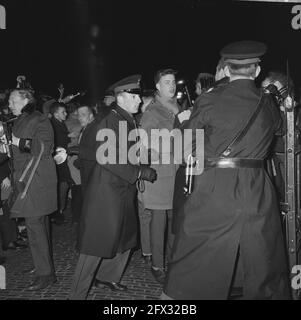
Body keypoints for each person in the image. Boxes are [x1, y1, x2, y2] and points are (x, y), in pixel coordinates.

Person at [162, 41, 291, 300]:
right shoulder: (267, 104)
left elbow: (189, 144)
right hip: (256, 187)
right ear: (256, 71)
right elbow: (281, 131)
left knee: (196, 257)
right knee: (263, 259)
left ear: (227, 70)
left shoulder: (209, 100)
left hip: (214, 186)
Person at [69, 75, 157, 300]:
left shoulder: (127, 119)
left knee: (126, 239)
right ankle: (76, 295)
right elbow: (107, 157)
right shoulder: (113, 118)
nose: (138, 99)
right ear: (121, 97)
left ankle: (107, 278)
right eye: (134, 95)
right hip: (106, 192)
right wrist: (139, 172)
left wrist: (142, 162)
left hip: (122, 190)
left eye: (138, 95)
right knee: (96, 245)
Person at [139, 69, 186, 284]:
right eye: (167, 82)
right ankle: (157, 265)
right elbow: (147, 144)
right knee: (158, 223)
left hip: (177, 171)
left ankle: (173, 261)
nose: (172, 85)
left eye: (173, 82)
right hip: (159, 173)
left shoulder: (178, 108)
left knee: (174, 220)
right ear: (157, 86)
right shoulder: (152, 112)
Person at [7, 88, 57, 290]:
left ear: (26, 100)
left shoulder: (38, 118)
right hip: (26, 178)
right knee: (39, 226)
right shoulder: (20, 119)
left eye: (12, 101)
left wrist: (19, 142)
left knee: (35, 227)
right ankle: (42, 267)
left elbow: (45, 147)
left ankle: (46, 275)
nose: (9, 104)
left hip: (36, 180)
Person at [50, 102, 73, 225]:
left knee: (63, 185)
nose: (66, 114)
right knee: (61, 186)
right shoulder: (52, 126)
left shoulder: (60, 124)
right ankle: (57, 212)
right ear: (55, 113)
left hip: (62, 159)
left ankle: (59, 211)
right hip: (58, 161)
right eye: (63, 112)